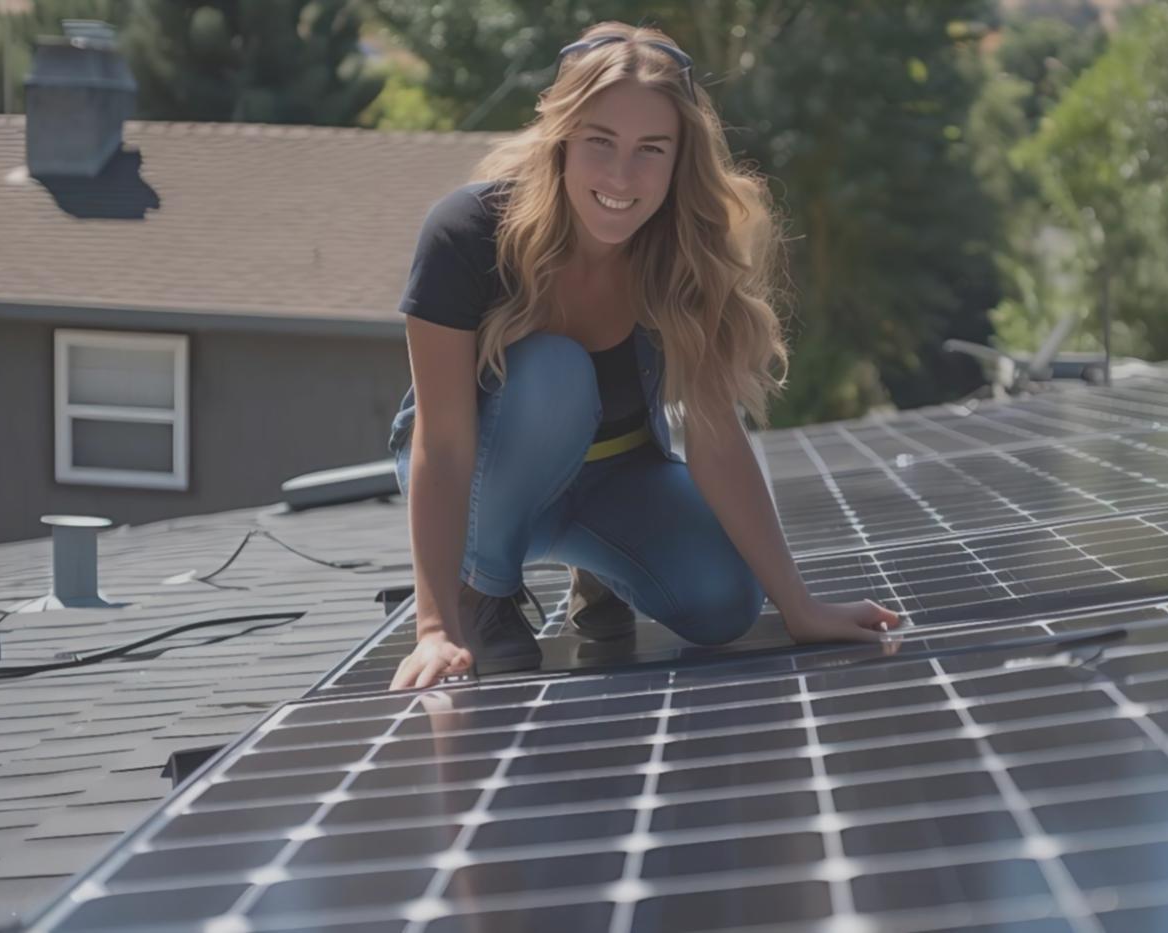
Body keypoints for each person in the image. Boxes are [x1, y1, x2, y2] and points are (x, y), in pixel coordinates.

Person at [386, 22, 901, 691]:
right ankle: (484, 588)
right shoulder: (466, 233)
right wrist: (436, 626)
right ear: (562, 136)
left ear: (680, 158)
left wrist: (798, 606)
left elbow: (716, 437)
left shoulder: (687, 252)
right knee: (556, 373)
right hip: (480, 476)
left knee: (723, 602)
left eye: (650, 149)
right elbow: (447, 442)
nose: (621, 177)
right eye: (600, 141)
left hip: (611, 478)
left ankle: (595, 565)